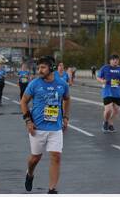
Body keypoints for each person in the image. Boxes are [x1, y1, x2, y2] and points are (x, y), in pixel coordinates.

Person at [20, 56, 70, 194]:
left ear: (51, 68)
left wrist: (65, 117)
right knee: (35, 158)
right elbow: (23, 101)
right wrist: (28, 121)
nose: (39, 70)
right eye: (39, 67)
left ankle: (52, 189)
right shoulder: (35, 84)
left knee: (56, 156)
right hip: (37, 128)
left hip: (55, 127)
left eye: (43, 67)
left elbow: (67, 99)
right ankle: (30, 173)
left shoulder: (62, 84)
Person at [97, 54, 120, 133]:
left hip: (117, 92)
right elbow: (98, 77)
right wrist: (102, 81)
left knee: (116, 110)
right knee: (108, 109)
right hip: (107, 91)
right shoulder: (105, 68)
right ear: (110, 60)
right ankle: (105, 122)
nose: (115, 61)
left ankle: (110, 124)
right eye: (113, 59)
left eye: (117, 59)